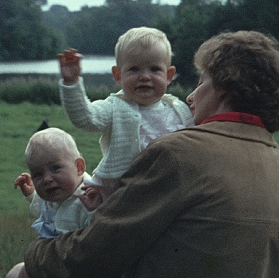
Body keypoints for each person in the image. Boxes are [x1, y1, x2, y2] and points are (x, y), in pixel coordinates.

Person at [23, 30, 279, 278]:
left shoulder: (179, 152)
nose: (190, 96)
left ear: (224, 88)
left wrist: (36, 255)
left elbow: (94, 252)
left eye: (201, 83)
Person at [58, 26, 194, 209]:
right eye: (134, 69)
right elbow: (85, 119)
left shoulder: (179, 110)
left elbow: (195, 145)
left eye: (154, 69)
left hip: (168, 193)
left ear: (169, 75)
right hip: (123, 197)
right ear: (117, 75)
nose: (145, 77)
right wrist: (71, 83)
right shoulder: (115, 107)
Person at [0, 127, 94, 278]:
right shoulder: (57, 193)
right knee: (15, 274)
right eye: (38, 174)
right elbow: (45, 210)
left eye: (55, 168)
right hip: (53, 272)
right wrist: (30, 194)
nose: (46, 179)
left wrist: (97, 209)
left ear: (79, 167)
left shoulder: (89, 197)